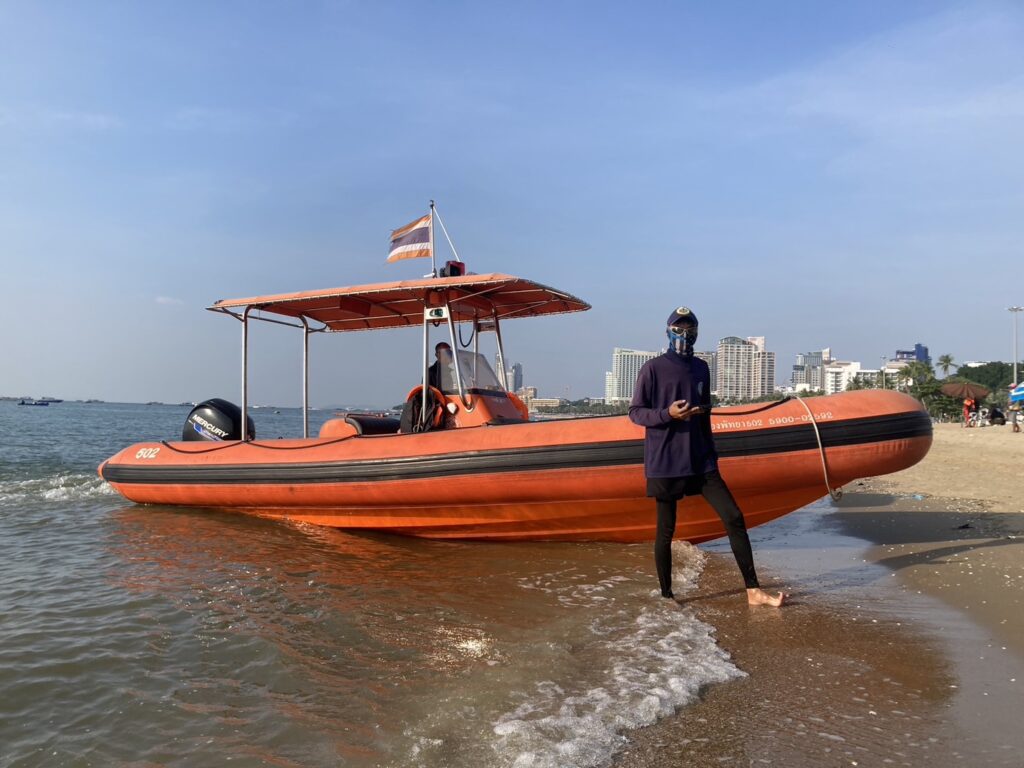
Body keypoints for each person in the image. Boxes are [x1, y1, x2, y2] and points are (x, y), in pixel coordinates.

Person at [629, 307, 785, 607]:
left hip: (701, 459)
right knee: (665, 531)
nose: (684, 334)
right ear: (668, 331)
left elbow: (706, 414)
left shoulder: (701, 368)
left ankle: (753, 591)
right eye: (678, 328)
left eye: (689, 329)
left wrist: (711, 450)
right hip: (665, 460)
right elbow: (636, 412)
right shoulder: (652, 368)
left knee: (734, 517)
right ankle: (667, 596)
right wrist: (667, 414)